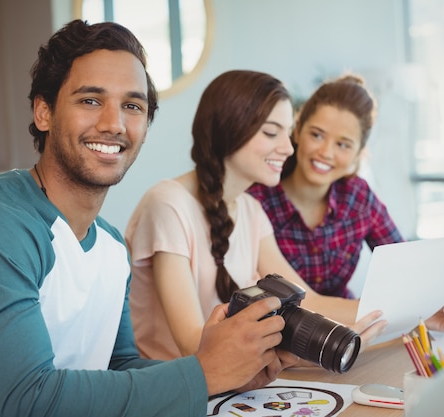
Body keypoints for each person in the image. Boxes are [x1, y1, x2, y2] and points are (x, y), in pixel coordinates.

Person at [0, 20, 296, 417]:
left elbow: (117, 369)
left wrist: (229, 377)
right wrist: (203, 373)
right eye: (90, 100)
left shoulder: (112, 248)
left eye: (132, 106)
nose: (113, 123)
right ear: (43, 112)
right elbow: (25, 402)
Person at [125, 70, 386, 362]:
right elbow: (193, 345)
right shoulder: (167, 204)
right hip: (178, 392)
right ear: (229, 127)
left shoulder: (250, 210)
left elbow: (308, 300)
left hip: (230, 387)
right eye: (272, 132)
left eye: (287, 133)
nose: (288, 148)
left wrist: (411, 314)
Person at [248, 74, 444, 329]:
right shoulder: (256, 202)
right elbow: (298, 302)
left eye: (343, 144)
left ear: (359, 152)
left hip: (348, 330)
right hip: (279, 339)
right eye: (317, 135)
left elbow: (403, 266)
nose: (326, 152)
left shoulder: (358, 197)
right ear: (298, 130)